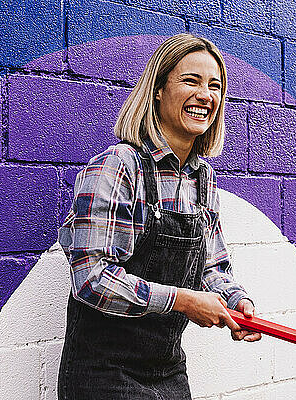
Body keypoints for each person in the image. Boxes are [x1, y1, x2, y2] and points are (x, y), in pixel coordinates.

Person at [57, 33, 262, 400]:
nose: (206, 95)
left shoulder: (202, 178)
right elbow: (91, 279)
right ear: (157, 90)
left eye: (215, 86)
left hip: (168, 371)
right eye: (191, 81)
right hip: (105, 375)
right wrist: (183, 301)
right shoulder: (118, 166)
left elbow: (211, 269)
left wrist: (237, 303)